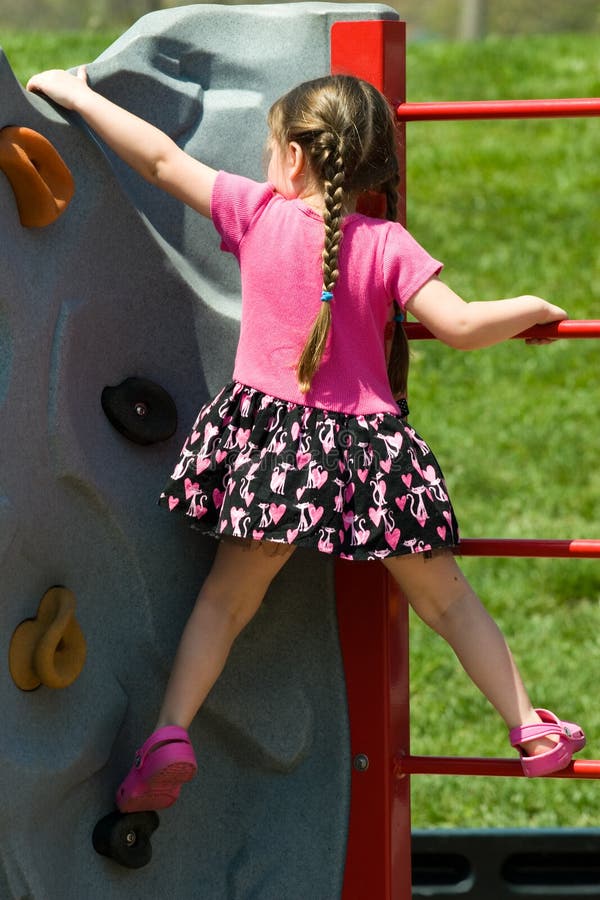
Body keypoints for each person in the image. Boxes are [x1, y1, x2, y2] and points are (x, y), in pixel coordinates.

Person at [27, 66, 585, 811]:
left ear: (293, 155)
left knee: (225, 601)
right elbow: (458, 325)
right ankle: (529, 729)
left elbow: (160, 160)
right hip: (370, 455)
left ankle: (169, 733)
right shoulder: (386, 242)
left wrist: (81, 95)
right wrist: (530, 306)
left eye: (268, 149)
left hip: (276, 451)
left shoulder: (257, 214)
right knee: (449, 603)